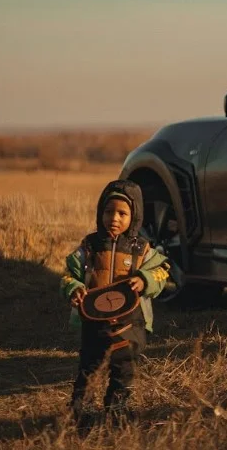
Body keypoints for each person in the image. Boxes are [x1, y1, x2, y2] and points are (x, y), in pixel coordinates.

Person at [60, 179, 170, 424]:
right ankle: (82, 413)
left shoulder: (141, 249)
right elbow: (69, 274)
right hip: (94, 323)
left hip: (130, 324)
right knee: (90, 366)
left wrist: (144, 279)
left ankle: (119, 410)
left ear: (135, 216)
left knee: (124, 368)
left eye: (123, 213)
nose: (115, 218)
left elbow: (162, 272)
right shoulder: (89, 246)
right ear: (101, 213)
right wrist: (74, 287)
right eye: (109, 212)